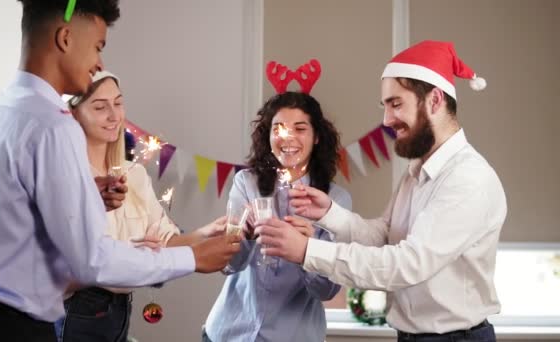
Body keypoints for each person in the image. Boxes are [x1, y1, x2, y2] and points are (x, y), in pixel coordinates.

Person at [0, 1, 239, 341]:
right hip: (14, 330)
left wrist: (85, 198)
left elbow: (0, 219)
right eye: (97, 47)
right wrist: (191, 257)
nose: (98, 63)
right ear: (65, 38)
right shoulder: (53, 125)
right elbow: (91, 260)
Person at [257, 40, 507, 342]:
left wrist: (308, 251)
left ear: (435, 100)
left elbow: (404, 265)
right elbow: (385, 236)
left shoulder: (467, 179)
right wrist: (329, 214)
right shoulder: (416, 172)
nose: (387, 120)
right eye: (385, 106)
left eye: (396, 104)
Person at [56, 70, 227, 342]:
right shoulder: (64, 176)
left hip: (120, 312)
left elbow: (163, 240)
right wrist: (130, 255)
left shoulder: (133, 173)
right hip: (77, 311)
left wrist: (206, 234)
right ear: (74, 114)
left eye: (118, 103)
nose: (114, 115)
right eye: (100, 107)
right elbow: (68, 264)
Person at [203, 91, 352, 342]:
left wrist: (308, 250)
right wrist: (244, 236)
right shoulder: (245, 183)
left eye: (300, 128)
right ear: (268, 135)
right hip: (228, 332)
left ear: (316, 137)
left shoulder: (335, 201)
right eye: (278, 128)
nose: (287, 137)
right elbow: (229, 265)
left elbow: (326, 291)